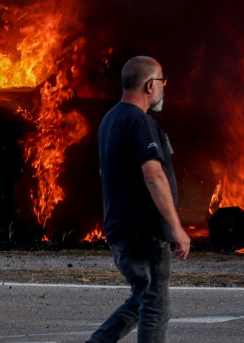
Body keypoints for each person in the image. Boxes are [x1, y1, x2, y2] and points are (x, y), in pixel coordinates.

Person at [88, 56, 190, 343]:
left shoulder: (110, 119)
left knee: (142, 298)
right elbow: (153, 177)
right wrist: (175, 227)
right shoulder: (139, 121)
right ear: (149, 85)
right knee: (156, 305)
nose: (163, 88)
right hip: (143, 233)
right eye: (161, 82)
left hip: (121, 229)